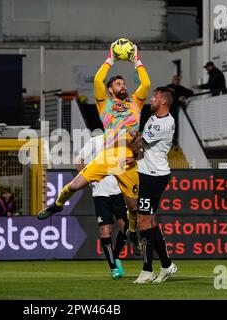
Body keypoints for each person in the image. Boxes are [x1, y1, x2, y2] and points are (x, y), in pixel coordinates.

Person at [37, 41, 151, 280]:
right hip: (108, 156)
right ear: (110, 90)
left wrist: (136, 60)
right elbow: (98, 81)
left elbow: (147, 83)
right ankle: (56, 206)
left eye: (124, 83)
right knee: (75, 185)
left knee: (133, 208)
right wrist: (110, 58)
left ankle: (131, 231)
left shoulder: (136, 102)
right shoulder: (105, 103)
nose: (123, 86)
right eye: (118, 83)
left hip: (127, 159)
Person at [76, 134, 141, 279]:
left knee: (125, 226)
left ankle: (117, 255)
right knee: (105, 230)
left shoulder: (124, 141)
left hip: (119, 190)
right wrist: (88, 179)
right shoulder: (95, 141)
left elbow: (136, 155)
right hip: (100, 193)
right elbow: (78, 160)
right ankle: (113, 268)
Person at [132, 87, 178, 284]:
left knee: (144, 223)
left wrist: (126, 137)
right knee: (149, 223)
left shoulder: (164, 124)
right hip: (149, 174)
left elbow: (138, 144)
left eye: (155, 97)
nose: (152, 99)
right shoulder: (153, 118)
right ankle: (167, 265)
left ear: (164, 102)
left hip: (154, 176)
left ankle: (147, 270)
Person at [166, 75, 194, 147]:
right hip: (167, 108)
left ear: (179, 81)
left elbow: (191, 92)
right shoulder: (168, 87)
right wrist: (177, 98)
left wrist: (184, 97)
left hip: (175, 109)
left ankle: (174, 141)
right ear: (172, 80)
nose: (176, 81)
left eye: (177, 80)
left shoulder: (180, 88)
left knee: (174, 125)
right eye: (175, 79)